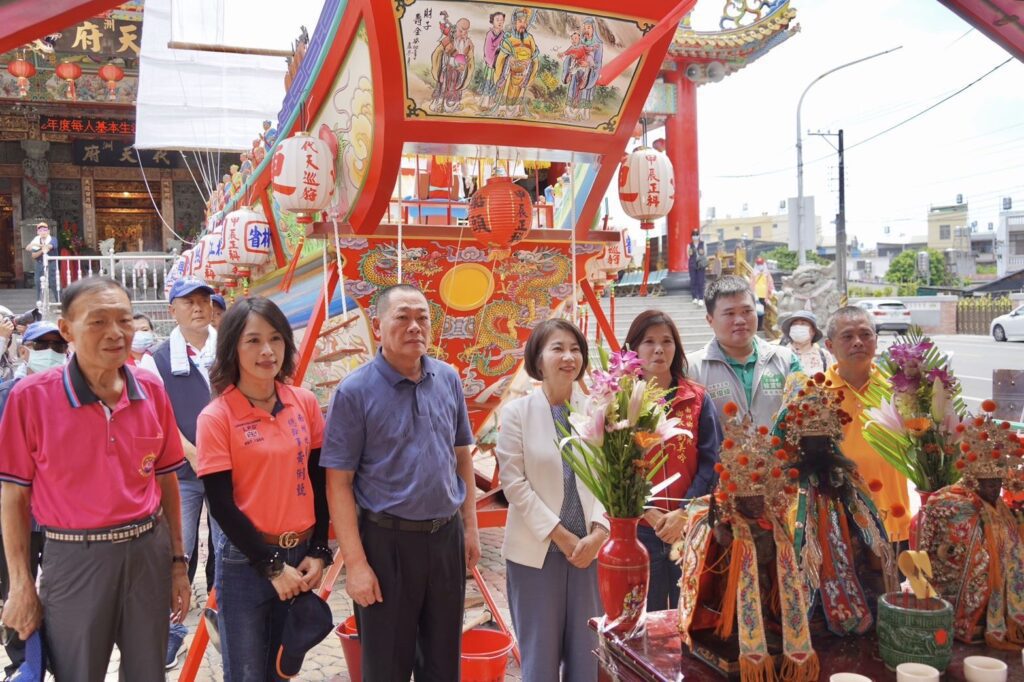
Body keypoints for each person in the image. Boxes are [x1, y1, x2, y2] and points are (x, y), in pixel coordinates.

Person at [0, 276, 190, 681]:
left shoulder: (152, 391)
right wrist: (20, 584)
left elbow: (167, 482)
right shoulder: (30, 398)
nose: (116, 333)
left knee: (148, 672)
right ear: (66, 329)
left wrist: (177, 563)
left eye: (123, 321)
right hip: (73, 559)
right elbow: (14, 495)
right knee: (78, 673)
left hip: (147, 552)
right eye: (98, 321)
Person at [322, 284, 479, 682]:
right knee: (387, 666)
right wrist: (355, 565)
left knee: (444, 662)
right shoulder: (354, 392)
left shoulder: (447, 378)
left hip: (445, 538)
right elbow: (338, 483)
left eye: (422, 317)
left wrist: (470, 529)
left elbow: (461, 457)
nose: (415, 326)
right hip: (386, 545)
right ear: (378, 327)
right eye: (402, 317)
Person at [196, 296, 332, 680]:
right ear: (232, 347)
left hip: (302, 554)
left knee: (282, 669)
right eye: (253, 340)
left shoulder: (303, 403)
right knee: (245, 672)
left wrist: (320, 549)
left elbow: (318, 479)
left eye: (276, 338)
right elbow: (221, 506)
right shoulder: (216, 417)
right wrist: (272, 568)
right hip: (246, 561)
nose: (267, 350)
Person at [496, 319, 607, 681]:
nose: (568, 356)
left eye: (575, 348)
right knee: (540, 664)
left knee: (587, 661)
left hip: (588, 555)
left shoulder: (595, 411)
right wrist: (561, 535)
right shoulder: (517, 414)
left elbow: (610, 477)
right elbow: (514, 484)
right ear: (538, 359)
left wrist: (599, 532)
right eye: (557, 348)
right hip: (535, 555)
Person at [678, 406, 819, 682]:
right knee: (731, 605)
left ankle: (761, 630)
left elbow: (784, 557)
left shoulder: (772, 523)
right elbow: (711, 534)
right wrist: (721, 532)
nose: (755, 504)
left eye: (759, 499)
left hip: (762, 578)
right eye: (749, 500)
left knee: (762, 601)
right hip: (731, 581)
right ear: (737, 499)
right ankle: (731, 629)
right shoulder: (729, 522)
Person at [779, 372, 898, 637]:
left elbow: (868, 524)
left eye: (824, 441)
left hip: (849, 562)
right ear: (798, 440)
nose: (819, 448)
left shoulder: (845, 475)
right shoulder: (783, 481)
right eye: (812, 441)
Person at [624, 311, 721, 610]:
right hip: (640, 529)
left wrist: (684, 513)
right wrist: (647, 512)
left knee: (690, 613)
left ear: (676, 348)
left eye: (666, 341)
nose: (658, 349)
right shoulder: (621, 401)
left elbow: (712, 463)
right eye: (649, 341)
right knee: (644, 616)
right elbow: (614, 466)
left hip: (689, 529)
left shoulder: (697, 399)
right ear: (633, 350)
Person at [146, 277, 219, 666]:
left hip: (228, 470)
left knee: (228, 549)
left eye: (204, 300)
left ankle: (225, 622)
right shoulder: (156, 359)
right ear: (171, 309)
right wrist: (191, 452)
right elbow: (158, 418)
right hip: (183, 472)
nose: (197, 307)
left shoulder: (232, 348)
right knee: (180, 549)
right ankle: (171, 631)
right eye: (188, 301)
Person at [918, 405, 1024, 649]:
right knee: (980, 550)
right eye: (987, 485)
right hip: (955, 573)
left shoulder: (1000, 508)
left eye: (997, 484)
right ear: (973, 481)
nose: (993, 490)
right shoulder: (954, 501)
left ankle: (997, 613)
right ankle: (968, 617)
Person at [0, 321, 67, 677]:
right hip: (18, 515)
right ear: (23, 350)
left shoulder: (75, 397)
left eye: (58, 345)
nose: (51, 352)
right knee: (17, 585)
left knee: (59, 593)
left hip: (60, 517)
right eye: (42, 345)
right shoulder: (7, 394)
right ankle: (23, 665)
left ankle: (57, 660)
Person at [823, 306, 911, 544]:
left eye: (865, 335)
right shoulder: (815, 393)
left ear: (876, 341)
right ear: (829, 346)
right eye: (847, 336)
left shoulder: (899, 390)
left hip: (894, 519)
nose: (858, 342)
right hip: (839, 523)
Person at [690, 275, 801, 427]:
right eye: (729, 313)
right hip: (721, 451)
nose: (740, 320)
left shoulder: (786, 360)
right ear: (710, 320)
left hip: (779, 451)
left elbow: (805, 412)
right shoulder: (692, 369)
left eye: (747, 311)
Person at [780, 310, 834, 376]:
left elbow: (831, 381)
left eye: (803, 324)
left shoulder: (824, 356)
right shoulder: (780, 354)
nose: (798, 327)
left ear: (813, 331)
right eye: (794, 324)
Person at [24, 223, 56, 304]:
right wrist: (41, 248)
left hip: (51, 264)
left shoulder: (53, 239)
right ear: (38, 232)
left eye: (45, 230)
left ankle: (60, 303)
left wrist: (36, 245)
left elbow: (50, 247)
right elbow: (34, 255)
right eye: (40, 230)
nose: (43, 232)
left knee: (54, 283)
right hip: (39, 264)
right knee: (38, 283)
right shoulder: (36, 240)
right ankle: (39, 303)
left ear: (48, 231)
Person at [749, 257, 773, 331]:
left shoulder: (767, 273)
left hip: (763, 295)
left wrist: (769, 296)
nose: (760, 265)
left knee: (762, 312)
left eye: (761, 264)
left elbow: (770, 283)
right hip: (756, 295)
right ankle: (755, 327)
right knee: (755, 312)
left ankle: (760, 327)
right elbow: (751, 284)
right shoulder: (754, 273)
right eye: (758, 264)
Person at [687, 231, 707, 306]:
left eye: (696, 235)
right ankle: (694, 297)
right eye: (693, 235)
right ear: (691, 236)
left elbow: (706, 254)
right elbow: (688, 256)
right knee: (693, 281)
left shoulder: (703, 244)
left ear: (699, 236)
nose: (695, 237)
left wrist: (702, 253)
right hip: (692, 265)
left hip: (701, 265)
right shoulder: (689, 245)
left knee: (701, 281)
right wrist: (691, 253)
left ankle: (701, 298)